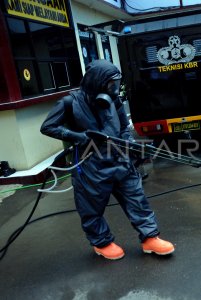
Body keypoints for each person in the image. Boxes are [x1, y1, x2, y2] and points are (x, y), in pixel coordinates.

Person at [40, 59, 174, 260]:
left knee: (136, 199)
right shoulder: (69, 102)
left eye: (116, 84)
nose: (115, 88)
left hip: (119, 159)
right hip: (90, 164)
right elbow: (48, 127)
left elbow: (122, 127)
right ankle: (102, 243)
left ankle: (150, 238)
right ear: (97, 82)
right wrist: (78, 136)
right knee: (91, 207)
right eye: (111, 84)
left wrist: (129, 145)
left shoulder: (114, 100)